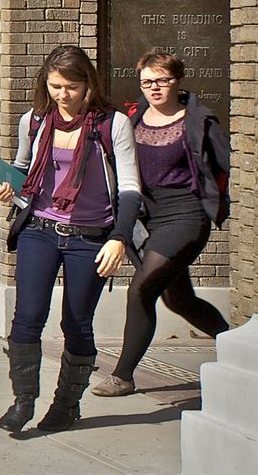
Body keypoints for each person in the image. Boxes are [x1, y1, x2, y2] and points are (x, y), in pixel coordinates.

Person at [0, 44, 138, 435]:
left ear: (89, 84)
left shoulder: (112, 124)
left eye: (71, 87)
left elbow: (130, 187)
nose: (63, 95)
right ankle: (23, 402)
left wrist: (120, 238)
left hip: (91, 236)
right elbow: (23, 168)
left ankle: (66, 406)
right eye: (55, 86)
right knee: (27, 315)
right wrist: (7, 187)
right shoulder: (35, 120)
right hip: (39, 229)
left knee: (77, 322)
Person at [92, 51, 232, 396]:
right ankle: (237, 347)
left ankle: (123, 376)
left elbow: (224, 165)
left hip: (186, 216)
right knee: (179, 300)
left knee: (142, 288)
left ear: (177, 80)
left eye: (162, 80)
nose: (154, 87)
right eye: (147, 82)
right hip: (147, 218)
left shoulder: (199, 121)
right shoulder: (134, 118)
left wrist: (217, 204)